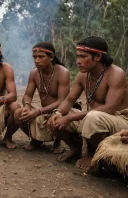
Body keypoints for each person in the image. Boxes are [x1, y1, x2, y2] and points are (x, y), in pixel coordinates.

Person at [48, 36, 128, 170]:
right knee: (55, 118)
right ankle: (75, 148)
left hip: (119, 119)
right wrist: (58, 113)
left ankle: (96, 155)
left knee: (92, 117)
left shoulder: (116, 74)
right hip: (94, 118)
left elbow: (110, 108)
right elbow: (69, 100)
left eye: (83, 57)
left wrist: (69, 117)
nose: (78, 61)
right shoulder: (83, 75)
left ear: (97, 56)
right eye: (77, 56)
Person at [13, 42, 70, 153]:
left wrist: (38, 112)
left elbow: (62, 101)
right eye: (34, 57)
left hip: (60, 110)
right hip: (43, 111)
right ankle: (36, 140)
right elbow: (28, 95)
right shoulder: (34, 73)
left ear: (51, 57)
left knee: (59, 115)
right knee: (18, 113)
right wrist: (27, 106)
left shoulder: (62, 72)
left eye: (41, 57)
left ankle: (57, 141)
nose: (37, 60)